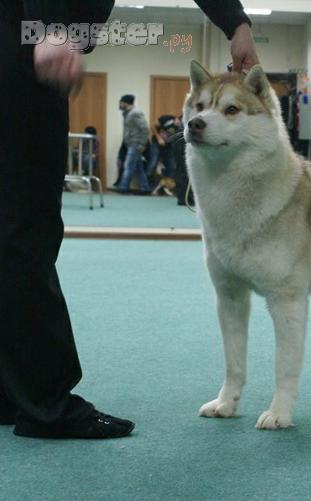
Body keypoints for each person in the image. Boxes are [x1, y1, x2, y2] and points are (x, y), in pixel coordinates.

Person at [0, 0, 259, 440]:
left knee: (11, 229)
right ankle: (45, 403)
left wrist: (236, 23)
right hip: (23, 52)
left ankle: (12, 391)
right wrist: (48, 24)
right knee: (26, 231)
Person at [115, 94, 151, 194]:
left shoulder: (135, 113)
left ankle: (123, 187)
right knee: (139, 168)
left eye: (121, 102)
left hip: (135, 144)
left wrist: (142, 144)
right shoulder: (127, 113)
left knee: (128, 166)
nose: (119, 104)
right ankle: (145, 188)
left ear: (125, 103)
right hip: (131, 144)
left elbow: (145, 128)